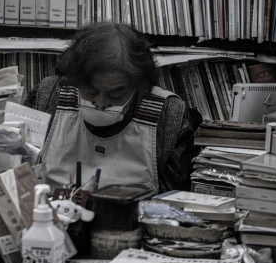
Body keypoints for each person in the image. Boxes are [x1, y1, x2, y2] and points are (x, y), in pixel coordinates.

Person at [26, 23, 201, 194]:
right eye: (91, 91)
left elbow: (175, 201)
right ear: (75, 80)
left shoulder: (168, 114)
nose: (101, 104)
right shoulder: (49, 96)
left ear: (139, 86)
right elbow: (19, 171)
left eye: (116, 95)